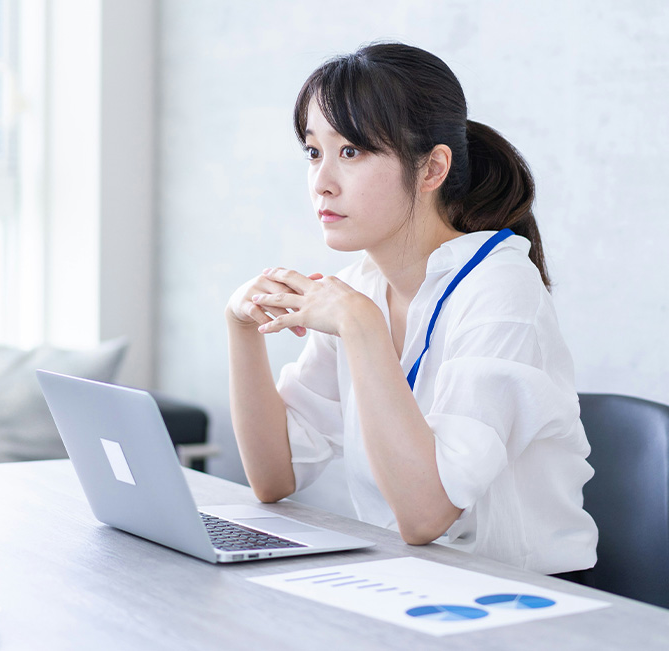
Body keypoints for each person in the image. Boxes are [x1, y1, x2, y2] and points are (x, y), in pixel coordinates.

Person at [224, 42, 597, 576]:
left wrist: (363, 330)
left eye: (351, 151)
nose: (322, 181)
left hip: (522, 597)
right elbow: (273, 477)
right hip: (407, 580)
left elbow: (426, 517)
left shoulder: (502, 290)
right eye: (313, 151)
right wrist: (240, 329)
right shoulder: (358, 290)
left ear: (432, 169)